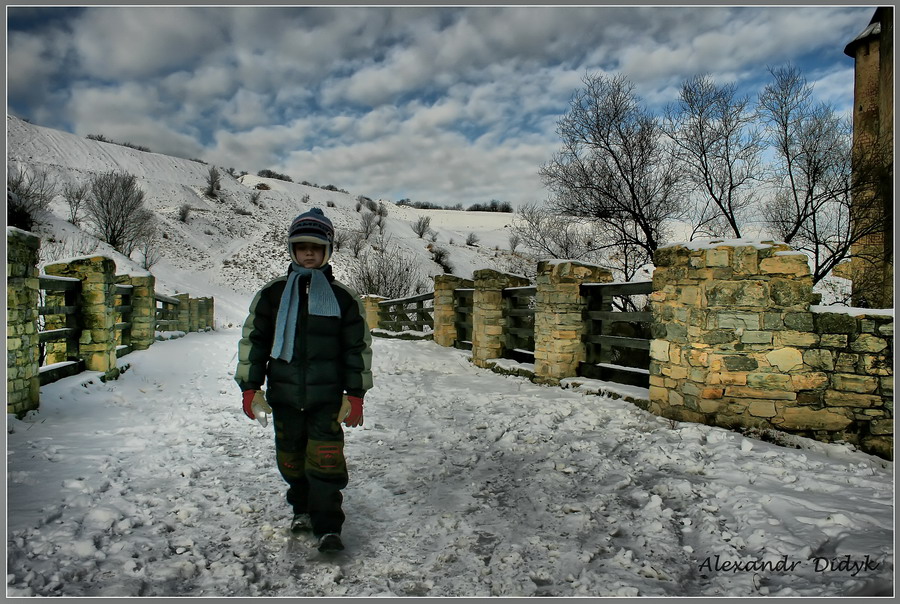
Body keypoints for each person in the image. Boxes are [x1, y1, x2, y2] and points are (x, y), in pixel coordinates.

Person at [235, 207, 373, 553]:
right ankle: (301, 509)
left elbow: (356, 349)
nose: (308, 253)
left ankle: (329, 527)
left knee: (326, 460)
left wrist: (354, 394)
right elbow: (254, 342)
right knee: (292, 459)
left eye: (315, 246)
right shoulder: (273, 294)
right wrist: (250, 387)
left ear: (327, 250)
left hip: (327, 398)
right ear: (291, 249)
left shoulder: (343, 298)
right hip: (284, 395)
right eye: (301, 246)